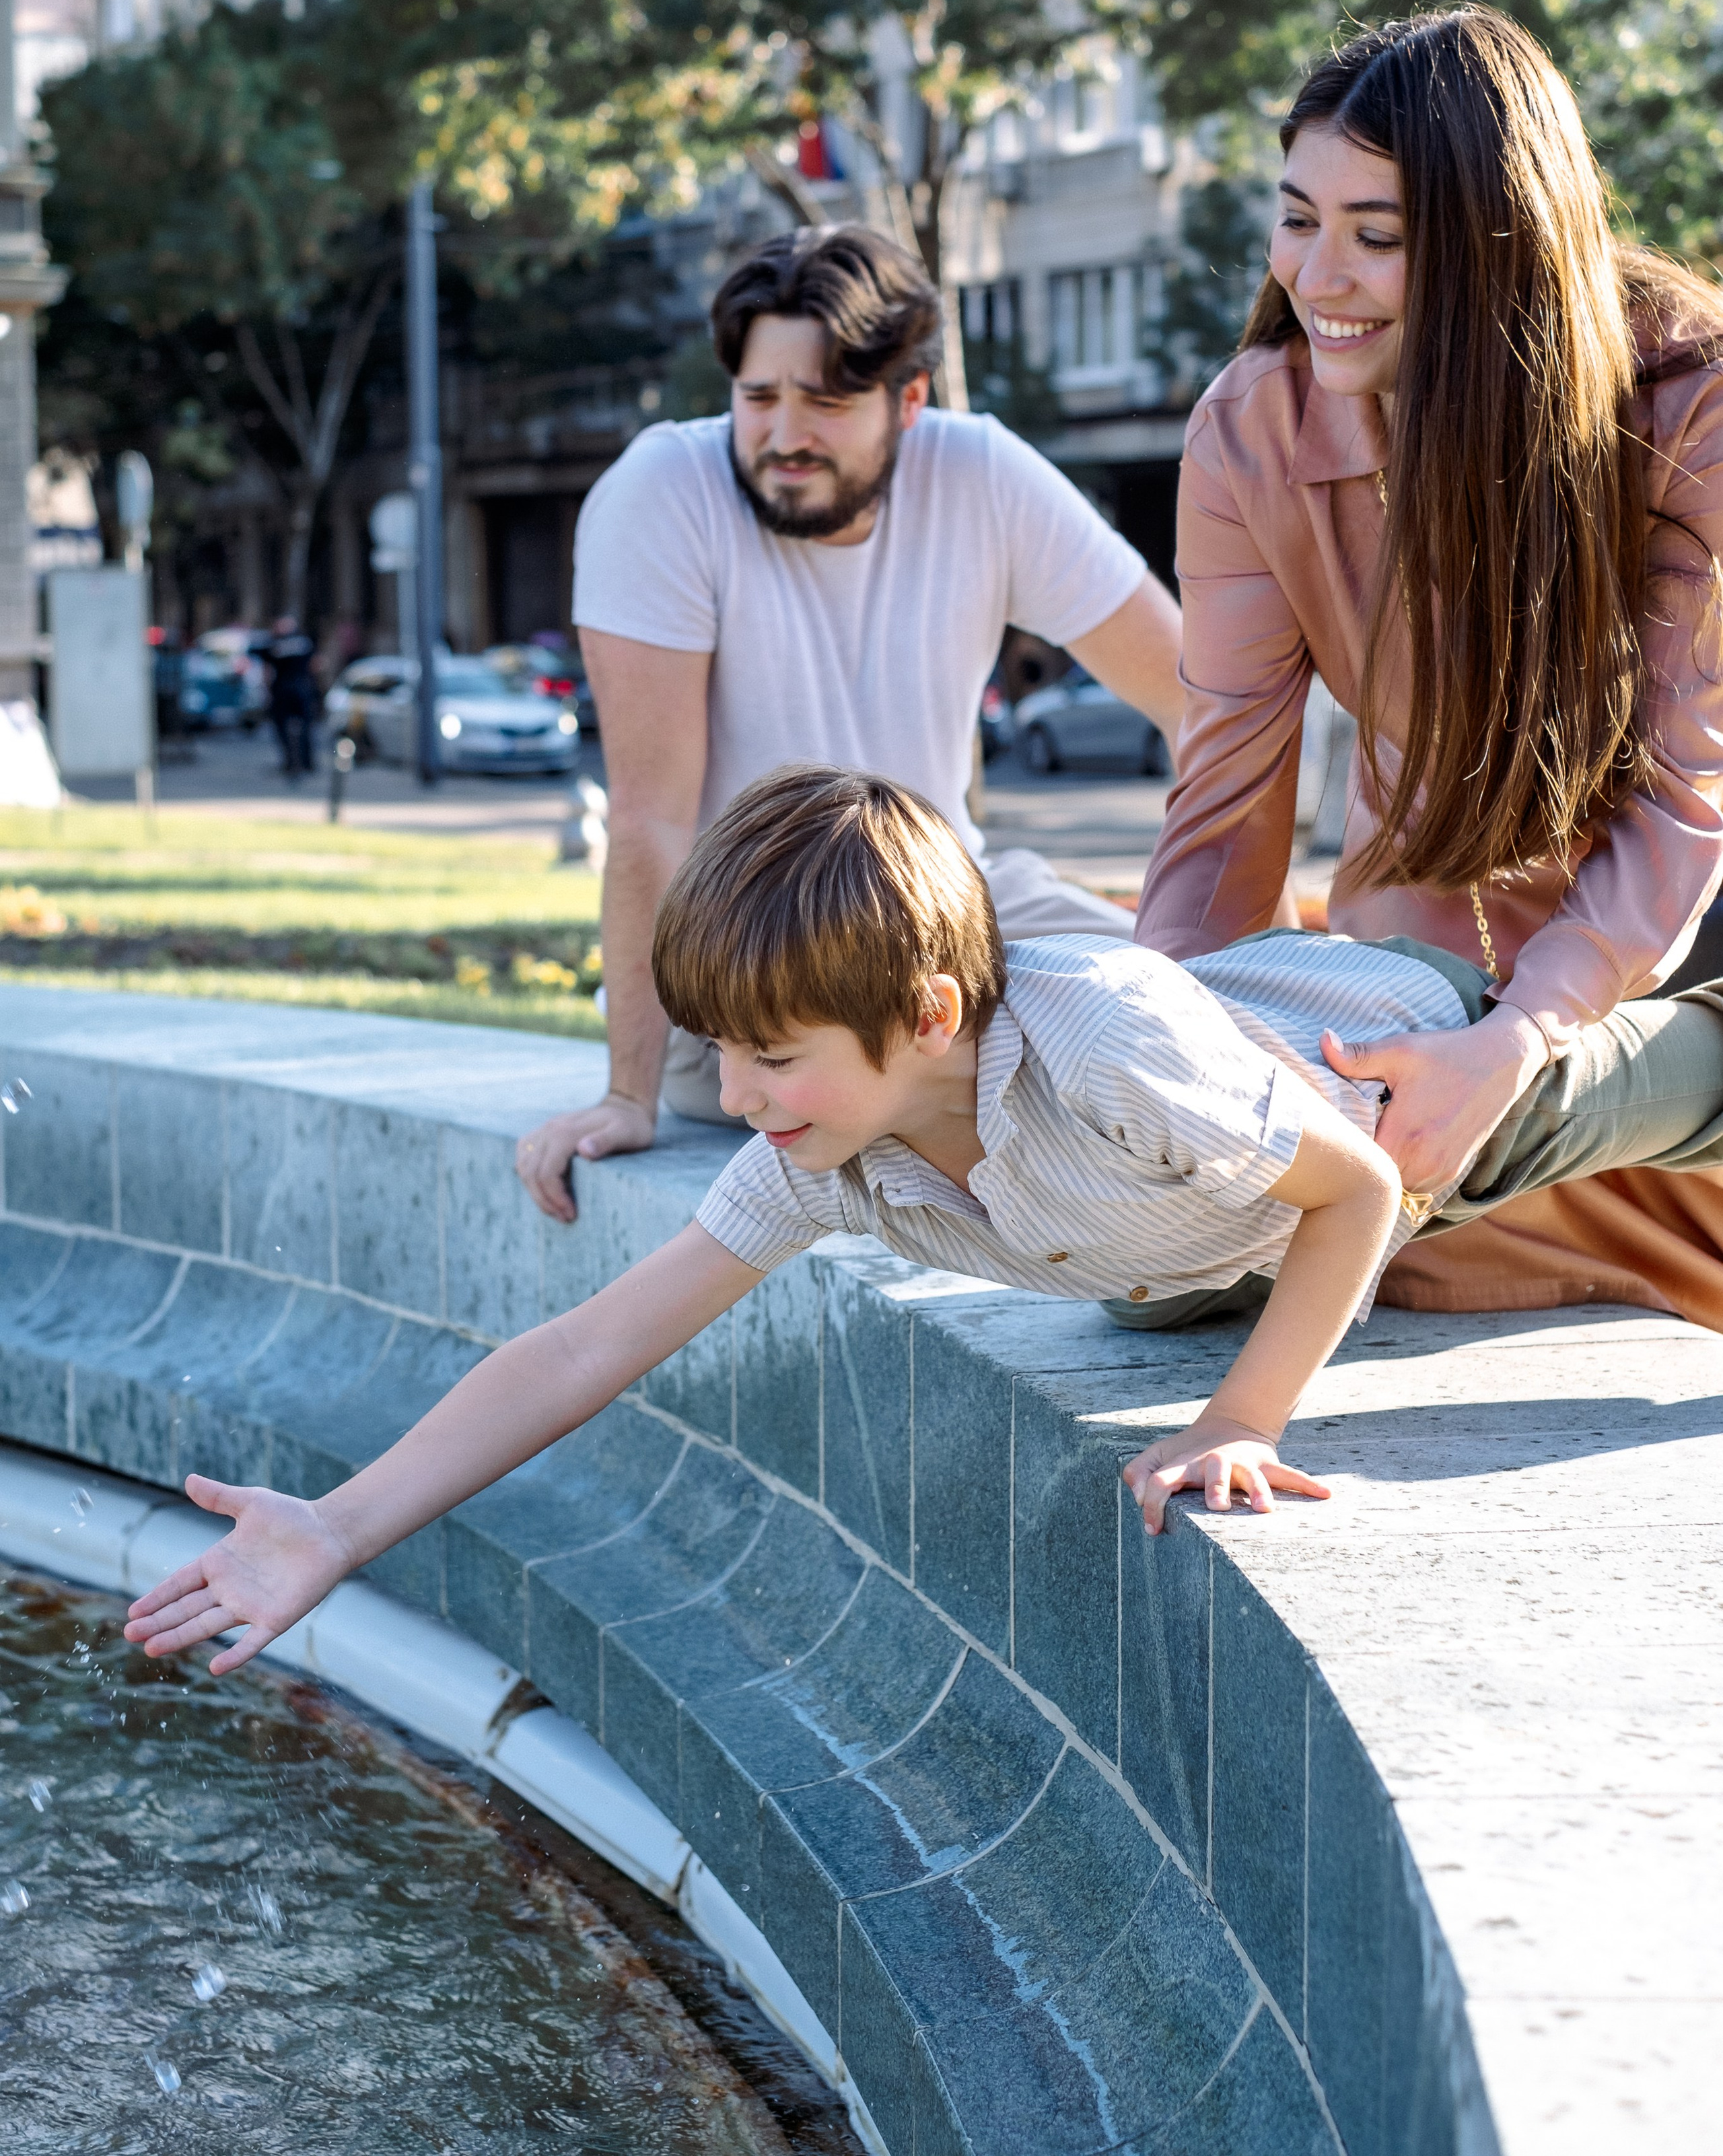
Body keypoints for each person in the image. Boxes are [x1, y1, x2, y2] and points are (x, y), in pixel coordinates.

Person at [126, 764, 1723, 1677]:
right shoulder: (838, 1138)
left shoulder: (1093, 1044)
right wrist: (336, 1524)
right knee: (1145, 1291)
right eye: (723, 1052)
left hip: (1390, 1067)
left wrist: (1240, 1418)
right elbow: (589, 1342)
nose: (735, 1096)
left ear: (930, 1008)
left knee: (1623, 1087)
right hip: (1175, 1216)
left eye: (771, 1055)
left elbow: (1360, 1187)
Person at [1136, 5, 1723, 1327]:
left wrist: (1518, 1041)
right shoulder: (1248, 431)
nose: (1315, 276)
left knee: (1469, 1133)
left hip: (1678, 947)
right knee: (1156, 1274)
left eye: (1376, 237)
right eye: (1295, 218)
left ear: (1496, 248)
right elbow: (1220, 802)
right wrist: (1141, 1066)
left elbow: (1685, 803)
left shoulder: (1688, 411)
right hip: (1435, 934)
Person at [515, 223, 1185, 1216]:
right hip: (749, 968)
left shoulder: (983, 473)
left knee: (1190, 1015)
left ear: (908, 401)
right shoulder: (662, 493)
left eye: (825, 402)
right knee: (1018, 1082)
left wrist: (1209, 921)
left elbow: (1204, 703)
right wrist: (629, 1094)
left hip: (957, 922)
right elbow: (651, 820)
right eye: (759, 397)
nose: (785, 435)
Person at [259, 613, 320, 779]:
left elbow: (267, 670)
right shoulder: (304, 642)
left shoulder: (274, 644)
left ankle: (290, 762)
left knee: (282, 727)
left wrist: (267, 691)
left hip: (282, 689)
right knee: (306, 726)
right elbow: (316, 665)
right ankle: (307, 762)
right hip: (302, 687)